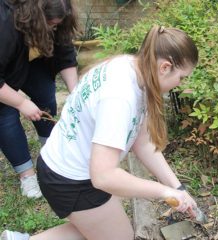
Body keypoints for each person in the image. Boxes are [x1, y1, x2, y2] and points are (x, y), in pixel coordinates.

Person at [1, 25, 199, 240]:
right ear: (164, 67)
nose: (181, 84)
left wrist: (177, 187)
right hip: (69, 179)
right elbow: (104, 177)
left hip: (67, 166)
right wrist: (163, 192)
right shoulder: (120, 97)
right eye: (182, 78)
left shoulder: (130, 66)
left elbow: (142, 142)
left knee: (102, 231)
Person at [0, 0, 79, 199]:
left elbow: (65, 54)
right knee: (5, 116)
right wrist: (20, 103)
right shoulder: (5, 25)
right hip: (5, 65)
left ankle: (49, 157)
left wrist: (75, 94)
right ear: (36, 19)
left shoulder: (58, 13)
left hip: (33, 61)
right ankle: (26, 175)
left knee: (45, 97)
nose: (55, 28)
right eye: (52, 25)